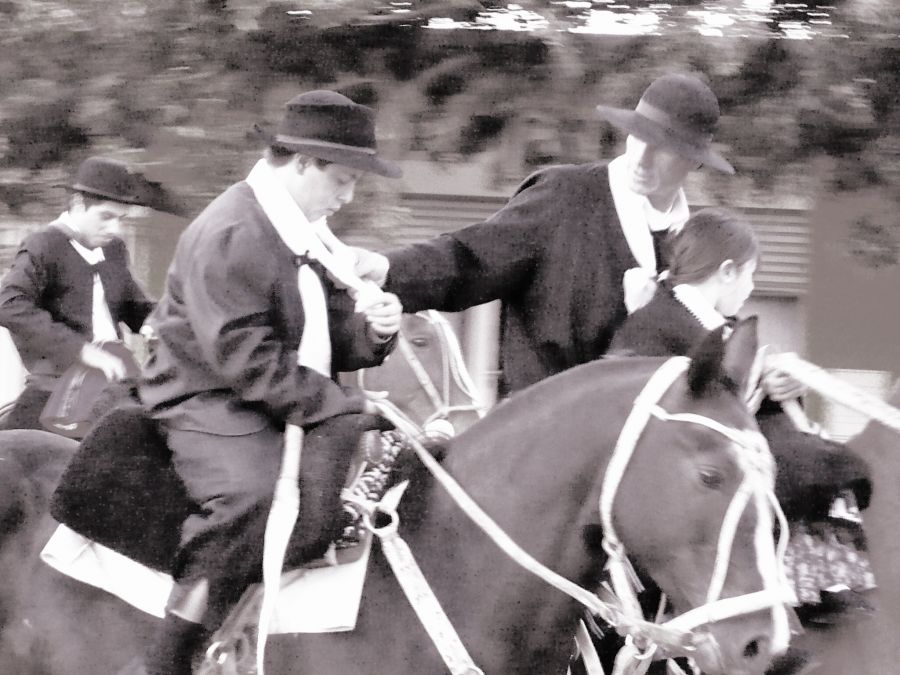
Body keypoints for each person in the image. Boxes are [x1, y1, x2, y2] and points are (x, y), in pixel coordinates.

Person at [136, 90, 404, 674]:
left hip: (270, 389)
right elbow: (244, 357)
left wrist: (375, 332)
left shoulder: (305, 232)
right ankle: (171, 658)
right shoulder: (232, 231)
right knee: (250, 498)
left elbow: (328, 332)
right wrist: (337, 405)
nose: (348, 195)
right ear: (302, 163)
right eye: (342, 180)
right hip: (203, 395)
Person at [354, 72, 806, 400]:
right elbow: (468, 259)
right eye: (636, 137)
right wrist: (389, 268)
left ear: (694, 162)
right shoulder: (564, 196)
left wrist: (763, 379)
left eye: (662, 148)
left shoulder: (693, 245)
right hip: (540, 443)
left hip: (638, 465)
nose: (642, 157)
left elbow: (702, 359)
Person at [608, 207, 875, 630]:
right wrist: (757, 390)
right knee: (816, 463)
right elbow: (674, 413)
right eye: (750, 275)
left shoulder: (703, 323)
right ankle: (802, 587)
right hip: (690, 473)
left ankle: (814, 583)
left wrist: (777, 389)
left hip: (715, 459)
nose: (751, 288)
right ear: (727, 271)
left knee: (818, 457)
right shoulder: (652, 327)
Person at [0, 156, 163, 432]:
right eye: (106, 217)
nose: (115, 229)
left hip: (115, 377)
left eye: (120, 219)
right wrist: (82, 350)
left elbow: (132, 304)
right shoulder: (44, 245)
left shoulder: (114, 250)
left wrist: (154, 321)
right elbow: (9, 303)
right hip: (58, 382)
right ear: (78, 204)